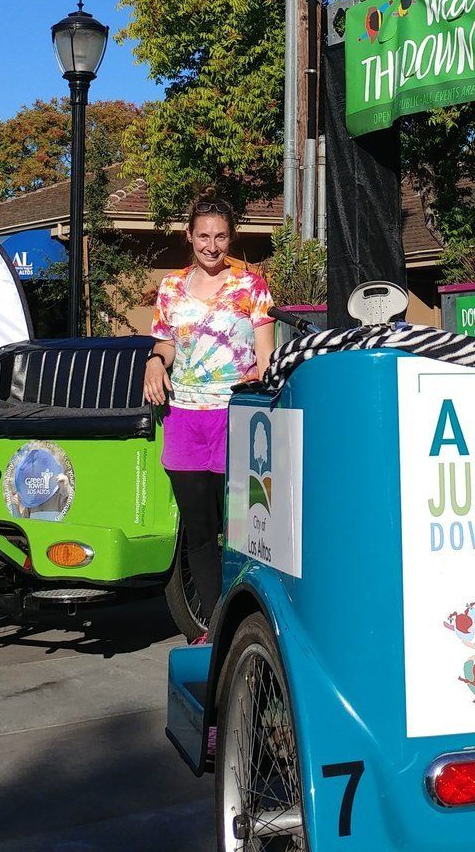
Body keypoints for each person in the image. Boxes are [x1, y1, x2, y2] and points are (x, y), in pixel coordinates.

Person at [143, 198, 273, 637]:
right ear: (190, 236)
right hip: (184, 419)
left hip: (235, 418)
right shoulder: (170, 288)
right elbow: (165, 344)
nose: (211, 246)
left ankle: (246, 626)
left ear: (230, 237)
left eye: (220, 236)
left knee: (240, 533)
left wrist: (264, 387)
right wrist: (155, 362)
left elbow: (266, 357)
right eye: (203, 236)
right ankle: (214, 632)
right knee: (199, 532)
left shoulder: (251, 286)